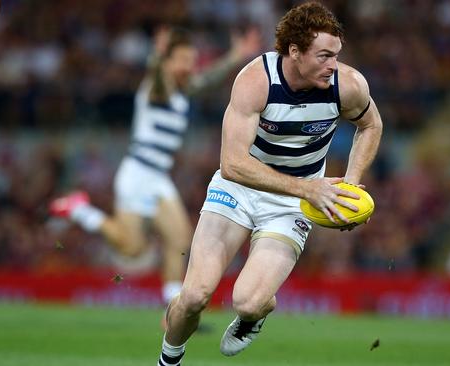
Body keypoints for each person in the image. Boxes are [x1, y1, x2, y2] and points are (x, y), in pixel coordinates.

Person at [155, 2, 383, 364]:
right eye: (324, 56)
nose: (333, 65)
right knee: (195, 295)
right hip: (239, 190)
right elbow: (232, 164)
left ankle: (254, 317)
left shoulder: (348, 86)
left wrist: (351, 186)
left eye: (336, 55)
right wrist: (309, 188)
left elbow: (371, 124)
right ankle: (169, 359)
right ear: (295, 51)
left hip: (292, 204)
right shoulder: (255, 81)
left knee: (247, 301)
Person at [49, 25, 261, 307]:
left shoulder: (182, 91)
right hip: (137, 173)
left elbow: (207, 80)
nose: (188, 66)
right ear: (167, 62)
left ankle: (172, 310)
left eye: (191, 60)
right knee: (132, 248)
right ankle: (79, 209)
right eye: (182, 60)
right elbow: (159, 74)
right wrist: (157, 55)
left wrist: (235, 55)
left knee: (180, 239)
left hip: (157, 177)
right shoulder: (155, 87)